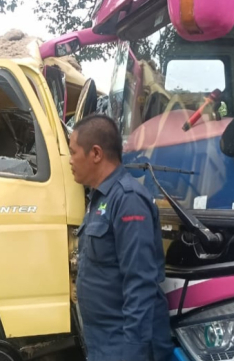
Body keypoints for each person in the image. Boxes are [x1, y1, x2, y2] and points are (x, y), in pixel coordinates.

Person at [69, 114, 173, 361]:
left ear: (96, 154)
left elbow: (140, 283)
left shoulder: (128, 200)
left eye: (73, 152)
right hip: (102, 343)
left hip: (123, 347)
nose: (69, 160)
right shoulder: (100, 198)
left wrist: (133, 354)